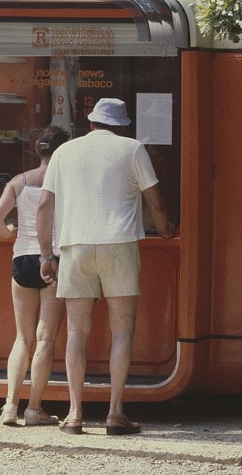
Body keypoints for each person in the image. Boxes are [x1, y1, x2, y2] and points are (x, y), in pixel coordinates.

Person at [37, 98, 174, 436]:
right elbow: (154, 200)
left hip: (74, 246)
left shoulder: (64, 153)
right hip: (119, 244)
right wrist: (167, 229)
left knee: (76, 332)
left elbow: (44, 205)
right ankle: (115, 413)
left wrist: (45, 255)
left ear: (91, 123)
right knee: (122, 330)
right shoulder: (132, 149)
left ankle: (74, 414)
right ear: (123, 125)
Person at [0, 126, 69, 427]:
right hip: (53, 261)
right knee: (45, 339)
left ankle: (9, 405)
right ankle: (35, 409)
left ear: (38, 150)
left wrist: (8, 233)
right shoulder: (65, 181)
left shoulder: (18, 182)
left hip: (22, 259)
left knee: (22, 337)